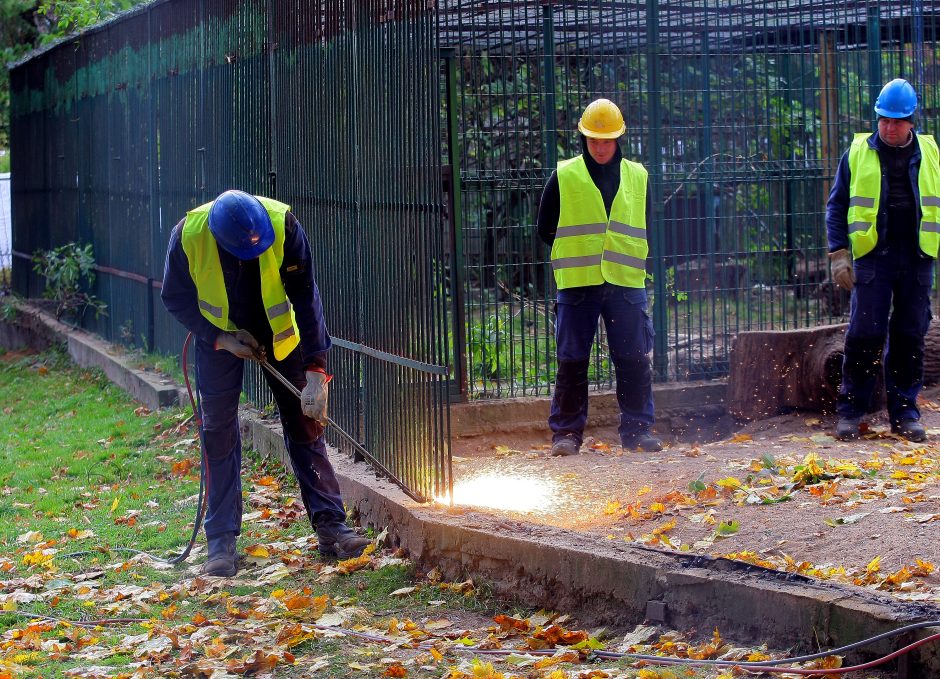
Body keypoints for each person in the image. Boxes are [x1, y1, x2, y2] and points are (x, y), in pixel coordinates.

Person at [161, 190, 369, 576]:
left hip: (282, 336)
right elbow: (175, 298)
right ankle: (220, 541)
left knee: (306, 424)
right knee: (218, 431)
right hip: (221, 339)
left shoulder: (284, 225)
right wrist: (221, 338)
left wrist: (315, 371)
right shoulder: (188, 236)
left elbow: (306, 295)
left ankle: (331, 527)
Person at [536, 98, 662, 456]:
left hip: (625, 281)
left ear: (619, 138)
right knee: (572, 359)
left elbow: (645, 223)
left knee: (634, 358)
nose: (601, 147)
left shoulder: (638, 175)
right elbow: (545, 228)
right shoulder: (565, 175)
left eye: (607, 140)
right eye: (595, 140)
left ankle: (639, 432)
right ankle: (566, 435)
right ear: (584, 139)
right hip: (579, 283)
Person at [827, 78, 940, 442]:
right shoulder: (857, 153)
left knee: (910, 335)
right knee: (864, 333)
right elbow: (836, 206)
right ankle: (850, 413)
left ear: (912, 121)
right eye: (884, 120)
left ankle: (905, 414)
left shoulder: (931, 154)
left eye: (897, 121)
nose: (889, 127)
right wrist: (838, 254)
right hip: (874, 257)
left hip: (918, 256)